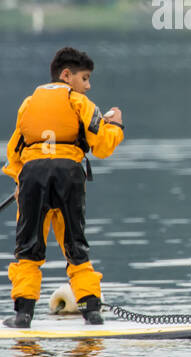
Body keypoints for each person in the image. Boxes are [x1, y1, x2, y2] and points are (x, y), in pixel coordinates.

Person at [4, 47, 125, 328]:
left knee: (28, 249)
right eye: (85, 78)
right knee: (76, 247)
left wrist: (19, 182)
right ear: (67, 75)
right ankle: (91, 311)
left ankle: (23, 315)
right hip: (68, 177)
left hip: (32, 176)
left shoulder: (28, 103)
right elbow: (102, 145)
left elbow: (14, 150)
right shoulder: (81, 103)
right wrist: (116, 126)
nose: (88, 85)